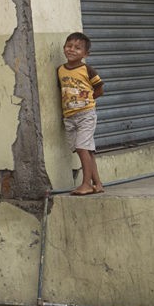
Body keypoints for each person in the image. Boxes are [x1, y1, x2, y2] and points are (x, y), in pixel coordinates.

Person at [57, 32, 105, 195]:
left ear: (85, 54)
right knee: (86, 150)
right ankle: (97, 184)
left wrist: (88, 102)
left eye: (77, 48)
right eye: (69, 46)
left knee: (82, 147)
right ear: (64, 48)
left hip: (86, 114)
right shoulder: (60, 70)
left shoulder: (87, 70)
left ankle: (86, 184)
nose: (72, 50)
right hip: (69, 116)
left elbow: (99, 89)